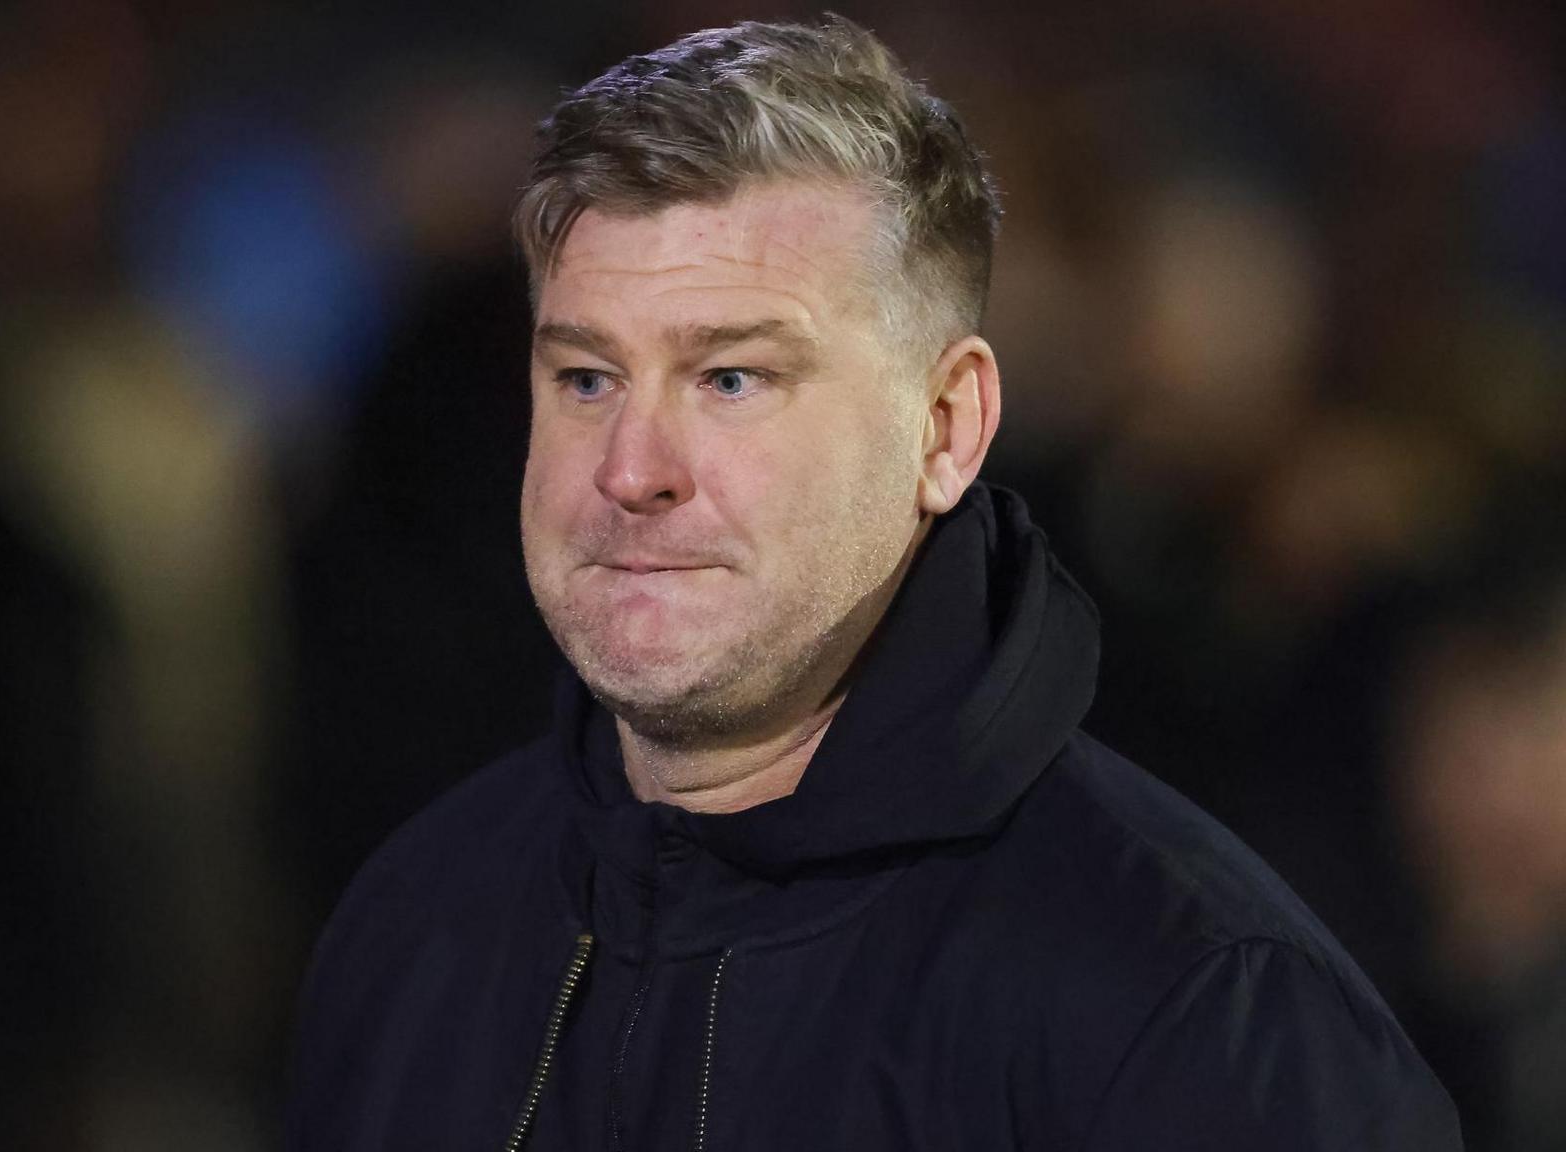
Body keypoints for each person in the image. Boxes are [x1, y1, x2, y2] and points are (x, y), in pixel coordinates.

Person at [287, 17, 1461, 1150]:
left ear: (946, 427)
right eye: (587, 378)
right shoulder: (415, 924)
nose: (631, 470)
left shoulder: (1197, 1014)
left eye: (732, 378)